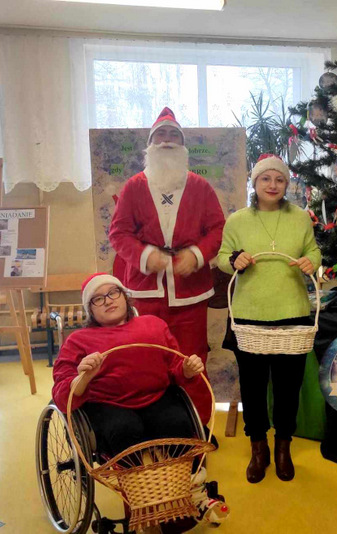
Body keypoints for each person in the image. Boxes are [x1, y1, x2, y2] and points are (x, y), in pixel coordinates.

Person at [109, 107, 225, 421]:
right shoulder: (134, 186)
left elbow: (217, 229)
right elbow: (119, 233)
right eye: (160, 135)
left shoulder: (200, 187)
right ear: (150, 144)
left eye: (174, 135)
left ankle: (197, 428)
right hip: (145, 294)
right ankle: (152, 427)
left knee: (192, 361)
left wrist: (196, 255)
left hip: (190, 295)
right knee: (147, 360)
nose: (167, 140)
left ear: (183, 145)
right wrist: (146, 256)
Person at [218, 154, 321, 483]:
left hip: (293, 313)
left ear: (287, 184)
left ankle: (283, 446)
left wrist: (311, 261)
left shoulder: (301, 218)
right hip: (249, 315)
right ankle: (258, 446)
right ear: (254, 183)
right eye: (265, 179)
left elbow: (313, 250)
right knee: (252, 387)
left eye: (279, 179)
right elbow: (221, 257)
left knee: (289, 387)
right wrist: (234, 259)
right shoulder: (237, 221)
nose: (272, 185)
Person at [52, 273, 207, 456]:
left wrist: (186, 370)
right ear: (90, 310)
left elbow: (175, 368)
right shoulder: (78, 340)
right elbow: (61, 395)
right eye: (98, 299)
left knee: (177, 423)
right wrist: (83, 378)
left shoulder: (154, 325)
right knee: (124, 429)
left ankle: (180, 470)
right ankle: (134, 474)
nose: (108, 301)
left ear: (124, 296)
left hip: (157, 397)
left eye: (113, 292)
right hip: (107, 404)